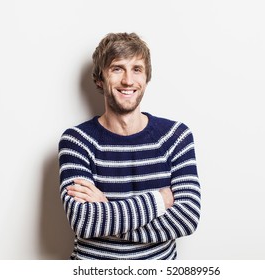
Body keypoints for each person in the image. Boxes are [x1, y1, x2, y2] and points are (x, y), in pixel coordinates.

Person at [58, 32, 201, 260]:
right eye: (117, 69)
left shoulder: (176, 137)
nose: (128, 80)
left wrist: (105, 215)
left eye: (137, 69)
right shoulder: (77, 141)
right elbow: (82, 221)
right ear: (100, 79)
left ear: (146, 78)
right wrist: (160, 200)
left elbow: (186, 219)